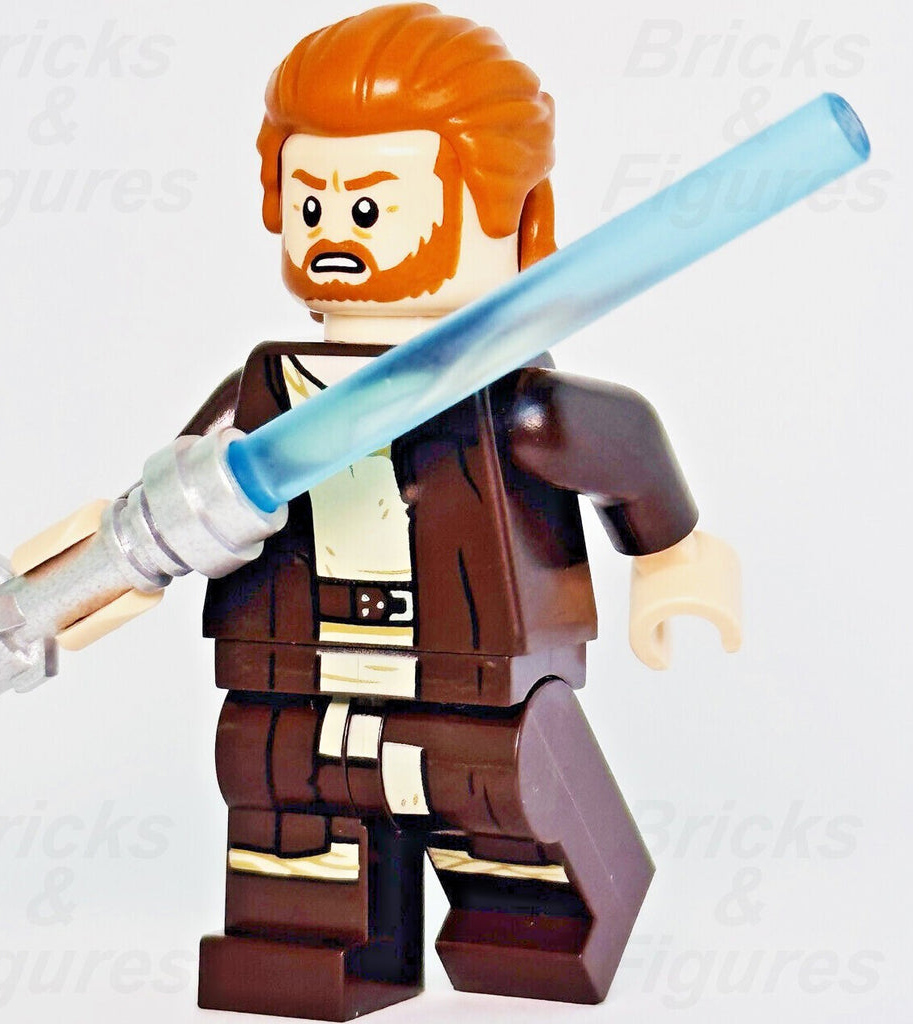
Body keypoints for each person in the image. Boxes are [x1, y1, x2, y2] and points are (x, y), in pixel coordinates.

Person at [182, 4, 742, 1018]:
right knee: (284, 796)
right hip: (288, 671)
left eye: (372, 207)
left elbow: (622, 447)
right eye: (311, 205)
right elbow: (174, 498)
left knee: (497, 801)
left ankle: (529, 932)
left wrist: (675, 556)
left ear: (518, 222)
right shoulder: (264, 399)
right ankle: (307, 945)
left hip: (467, 678)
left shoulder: (512, 406)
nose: (336, 236)